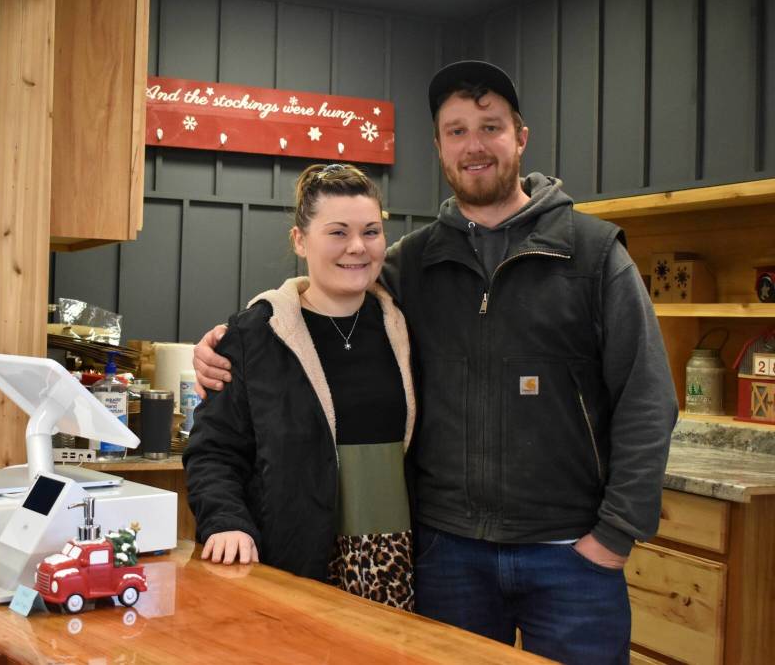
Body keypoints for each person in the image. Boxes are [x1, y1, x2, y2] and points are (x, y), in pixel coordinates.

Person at [193, 61, 678, 664]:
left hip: (571, 555)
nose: (474, 145)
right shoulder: (412, 262)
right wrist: (235, 335)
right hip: (447, 557)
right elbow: (326, 292)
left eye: (490, 127)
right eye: (456, 131)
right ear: (439, 147)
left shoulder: (594, 255)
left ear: (521, 138)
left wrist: (615, 535)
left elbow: (648, 399)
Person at [183, 163, 416, 610]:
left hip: (398, 570)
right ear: (300, 240)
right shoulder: (255, 335)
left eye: (370, 232)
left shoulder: (407, 327)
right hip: (296, 564)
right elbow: (213, 450)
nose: (357, 246)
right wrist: (226, 521)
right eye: (337, 232)